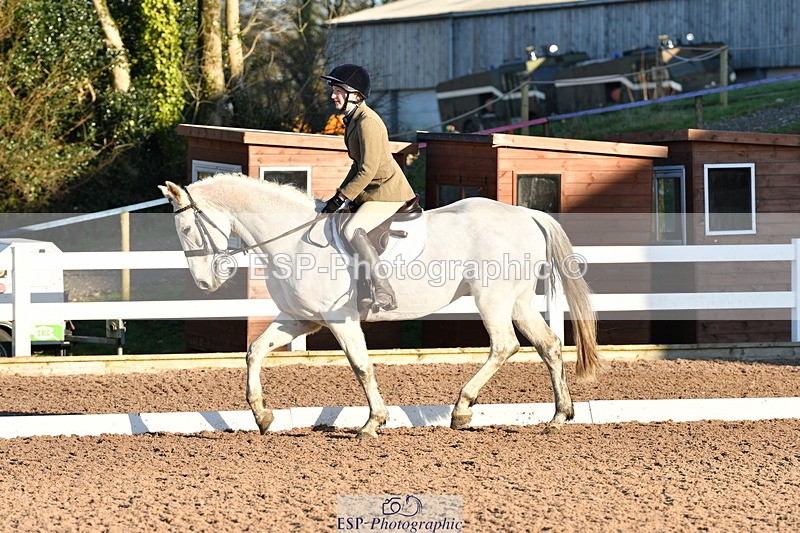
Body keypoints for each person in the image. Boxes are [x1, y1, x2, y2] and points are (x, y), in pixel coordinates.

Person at [320, 64, 416, 312]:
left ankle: (385, 291)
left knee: (353, 228)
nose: (333, 95)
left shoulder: (368, 122)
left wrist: (344, 196)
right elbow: (357, 163)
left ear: (354, 94)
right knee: (338, 221)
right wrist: (339, 195)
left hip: (387, 191)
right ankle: (361, 290)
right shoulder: (353, 119)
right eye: (333, 89)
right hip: (371, 190)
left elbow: (369, 169)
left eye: (338, 90)